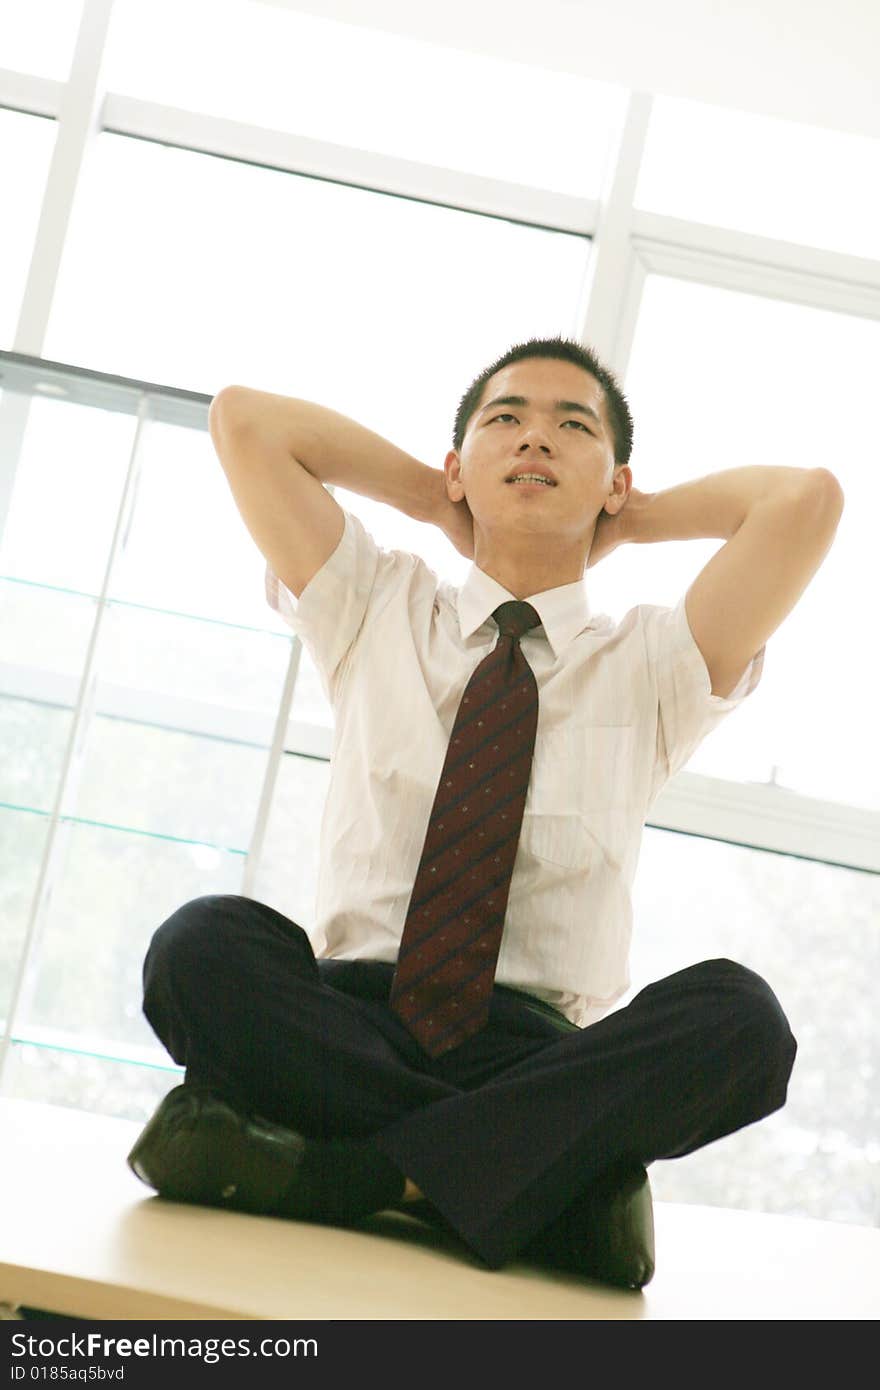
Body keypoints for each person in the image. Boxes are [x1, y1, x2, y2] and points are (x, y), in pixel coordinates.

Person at [127, 335, 843, 1289]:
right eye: (505, 420)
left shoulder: (655, 664)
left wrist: (629, 520)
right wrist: (436, 495)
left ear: (615, 479)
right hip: (350, 1025)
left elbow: (805, 504)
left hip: (533, 1056)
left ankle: (340, 1171)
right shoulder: (376, 603)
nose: (535, 439)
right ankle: (519, 1184)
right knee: (200, 947)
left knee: (743, 1023)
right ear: (464, 462)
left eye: (571, 426)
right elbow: (246, 422)